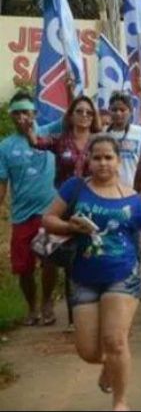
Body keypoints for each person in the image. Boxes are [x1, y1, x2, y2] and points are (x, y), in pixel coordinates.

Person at [42, 135, 141, 411]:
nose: (102, 163)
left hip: (122, 275)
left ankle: (120, 402)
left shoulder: (132, 199)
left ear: (118, 161)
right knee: (88, 351)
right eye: (97, 157)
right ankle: (111, 364)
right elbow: (49, 218)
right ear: (88, 160)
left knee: (114, 340)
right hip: (83, 276)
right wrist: (70, 228)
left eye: (108, 157)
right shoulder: (74, 188)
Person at [30, 95, 101, 330]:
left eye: (89, 113)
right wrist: (30, 120)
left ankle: (93, 312)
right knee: (66, 261)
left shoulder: (99, 142)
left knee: (91, 259)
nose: (84, 116)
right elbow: (36, 142)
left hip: (93, 206)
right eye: (79, 111)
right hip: (64, 209)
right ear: (70, 116)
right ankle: (71, 316)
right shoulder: (61, 141)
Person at [0, 92, 58, 327]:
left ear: (35, 114)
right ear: (12, 117)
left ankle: (47, 303)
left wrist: (71, 87)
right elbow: (2, 183)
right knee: (23, 268)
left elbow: (73, 117)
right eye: (17, 113)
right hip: (21, 215)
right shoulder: (5, 146)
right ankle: (32, 307)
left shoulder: (49, 134)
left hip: (48, 213)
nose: (22, 117)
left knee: (49, 260)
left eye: (27, 112)